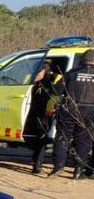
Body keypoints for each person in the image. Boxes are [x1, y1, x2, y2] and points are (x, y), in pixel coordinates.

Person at [47, 49, 94, 180]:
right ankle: (78, 171)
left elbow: (56, 90)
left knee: (62, 137)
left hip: (69, 109)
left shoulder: (71, 73)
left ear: (82, 60)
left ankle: (58, 167)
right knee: (84, 140)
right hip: (90, 112)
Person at [24, 60, 63, 174]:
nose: (35, 74)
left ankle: (37, 165)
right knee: (33, 139)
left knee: (42, 139)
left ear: (45, 70)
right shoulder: (32, 79)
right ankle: (36, 160)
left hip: (45, 114)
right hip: (31, 112)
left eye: (39, 71)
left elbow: (57, 95)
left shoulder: (53, 80)